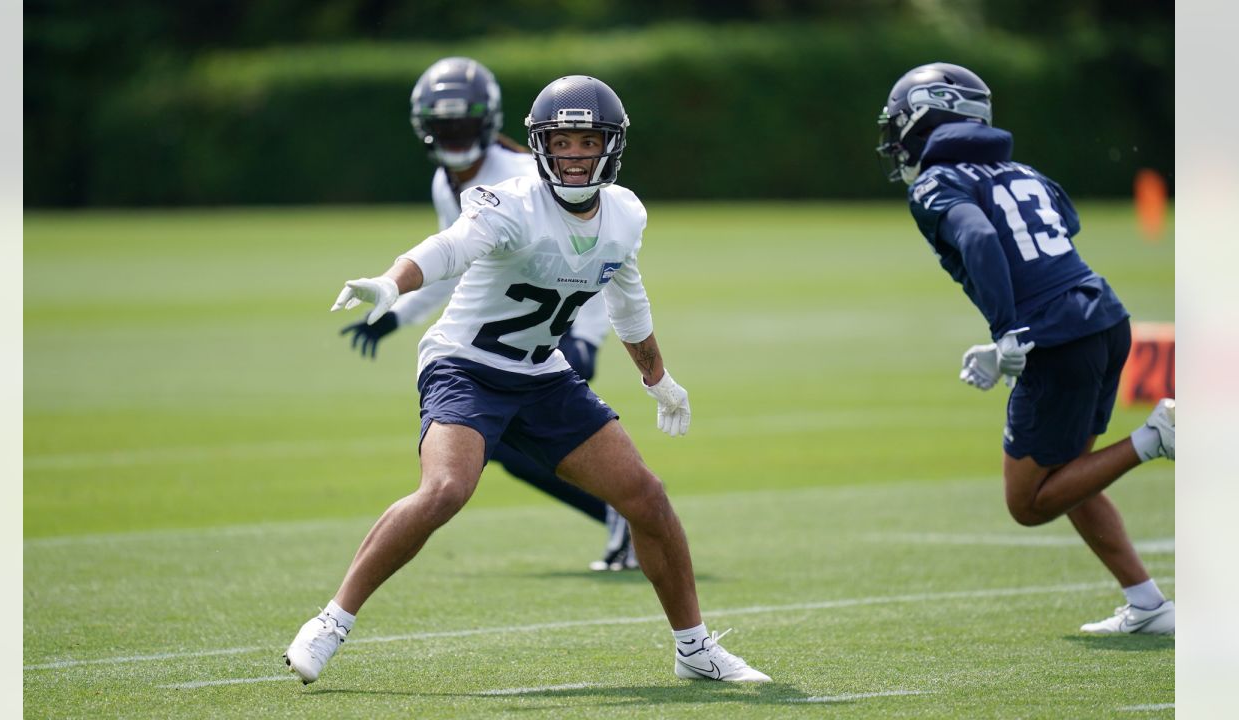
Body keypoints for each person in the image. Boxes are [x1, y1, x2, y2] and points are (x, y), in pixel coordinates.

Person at [284, 75, 770, 684]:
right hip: (466, 367)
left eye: (586, 141)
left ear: (610, 147)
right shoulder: (510, 202)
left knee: (646, 497)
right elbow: (448, 249)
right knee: (446, 490)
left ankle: (695, 651)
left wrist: (659, 381)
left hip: (542, 373)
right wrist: (390, 282)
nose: (572, 155)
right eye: (560, 142)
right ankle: (331, 621)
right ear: (540, 146)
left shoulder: (624, 213)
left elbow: (628, 301)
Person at [876, 62, 1176, 635]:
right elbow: (1064, 226)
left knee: (1029, 502)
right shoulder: (1024, 171)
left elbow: (982, 236)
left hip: (1054, 336)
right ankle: (1148, 604)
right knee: (1069, 474)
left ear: (928, 116)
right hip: (1104, 316)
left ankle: (1153, 437)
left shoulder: (939, 184)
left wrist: (1007, 332)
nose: (895, 138)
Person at [341, 57, 637, 571]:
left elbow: (589, 252)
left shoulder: (527, 174)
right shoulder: (445, 182)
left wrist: (585, 336)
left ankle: (622, 513)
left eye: (463, 124)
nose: (454, 137)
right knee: (500, 449)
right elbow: (460, 267)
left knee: (506, 447)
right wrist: (397, 313)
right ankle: (621, 514)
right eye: (443, 126)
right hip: (504, 333)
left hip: (557, 330)